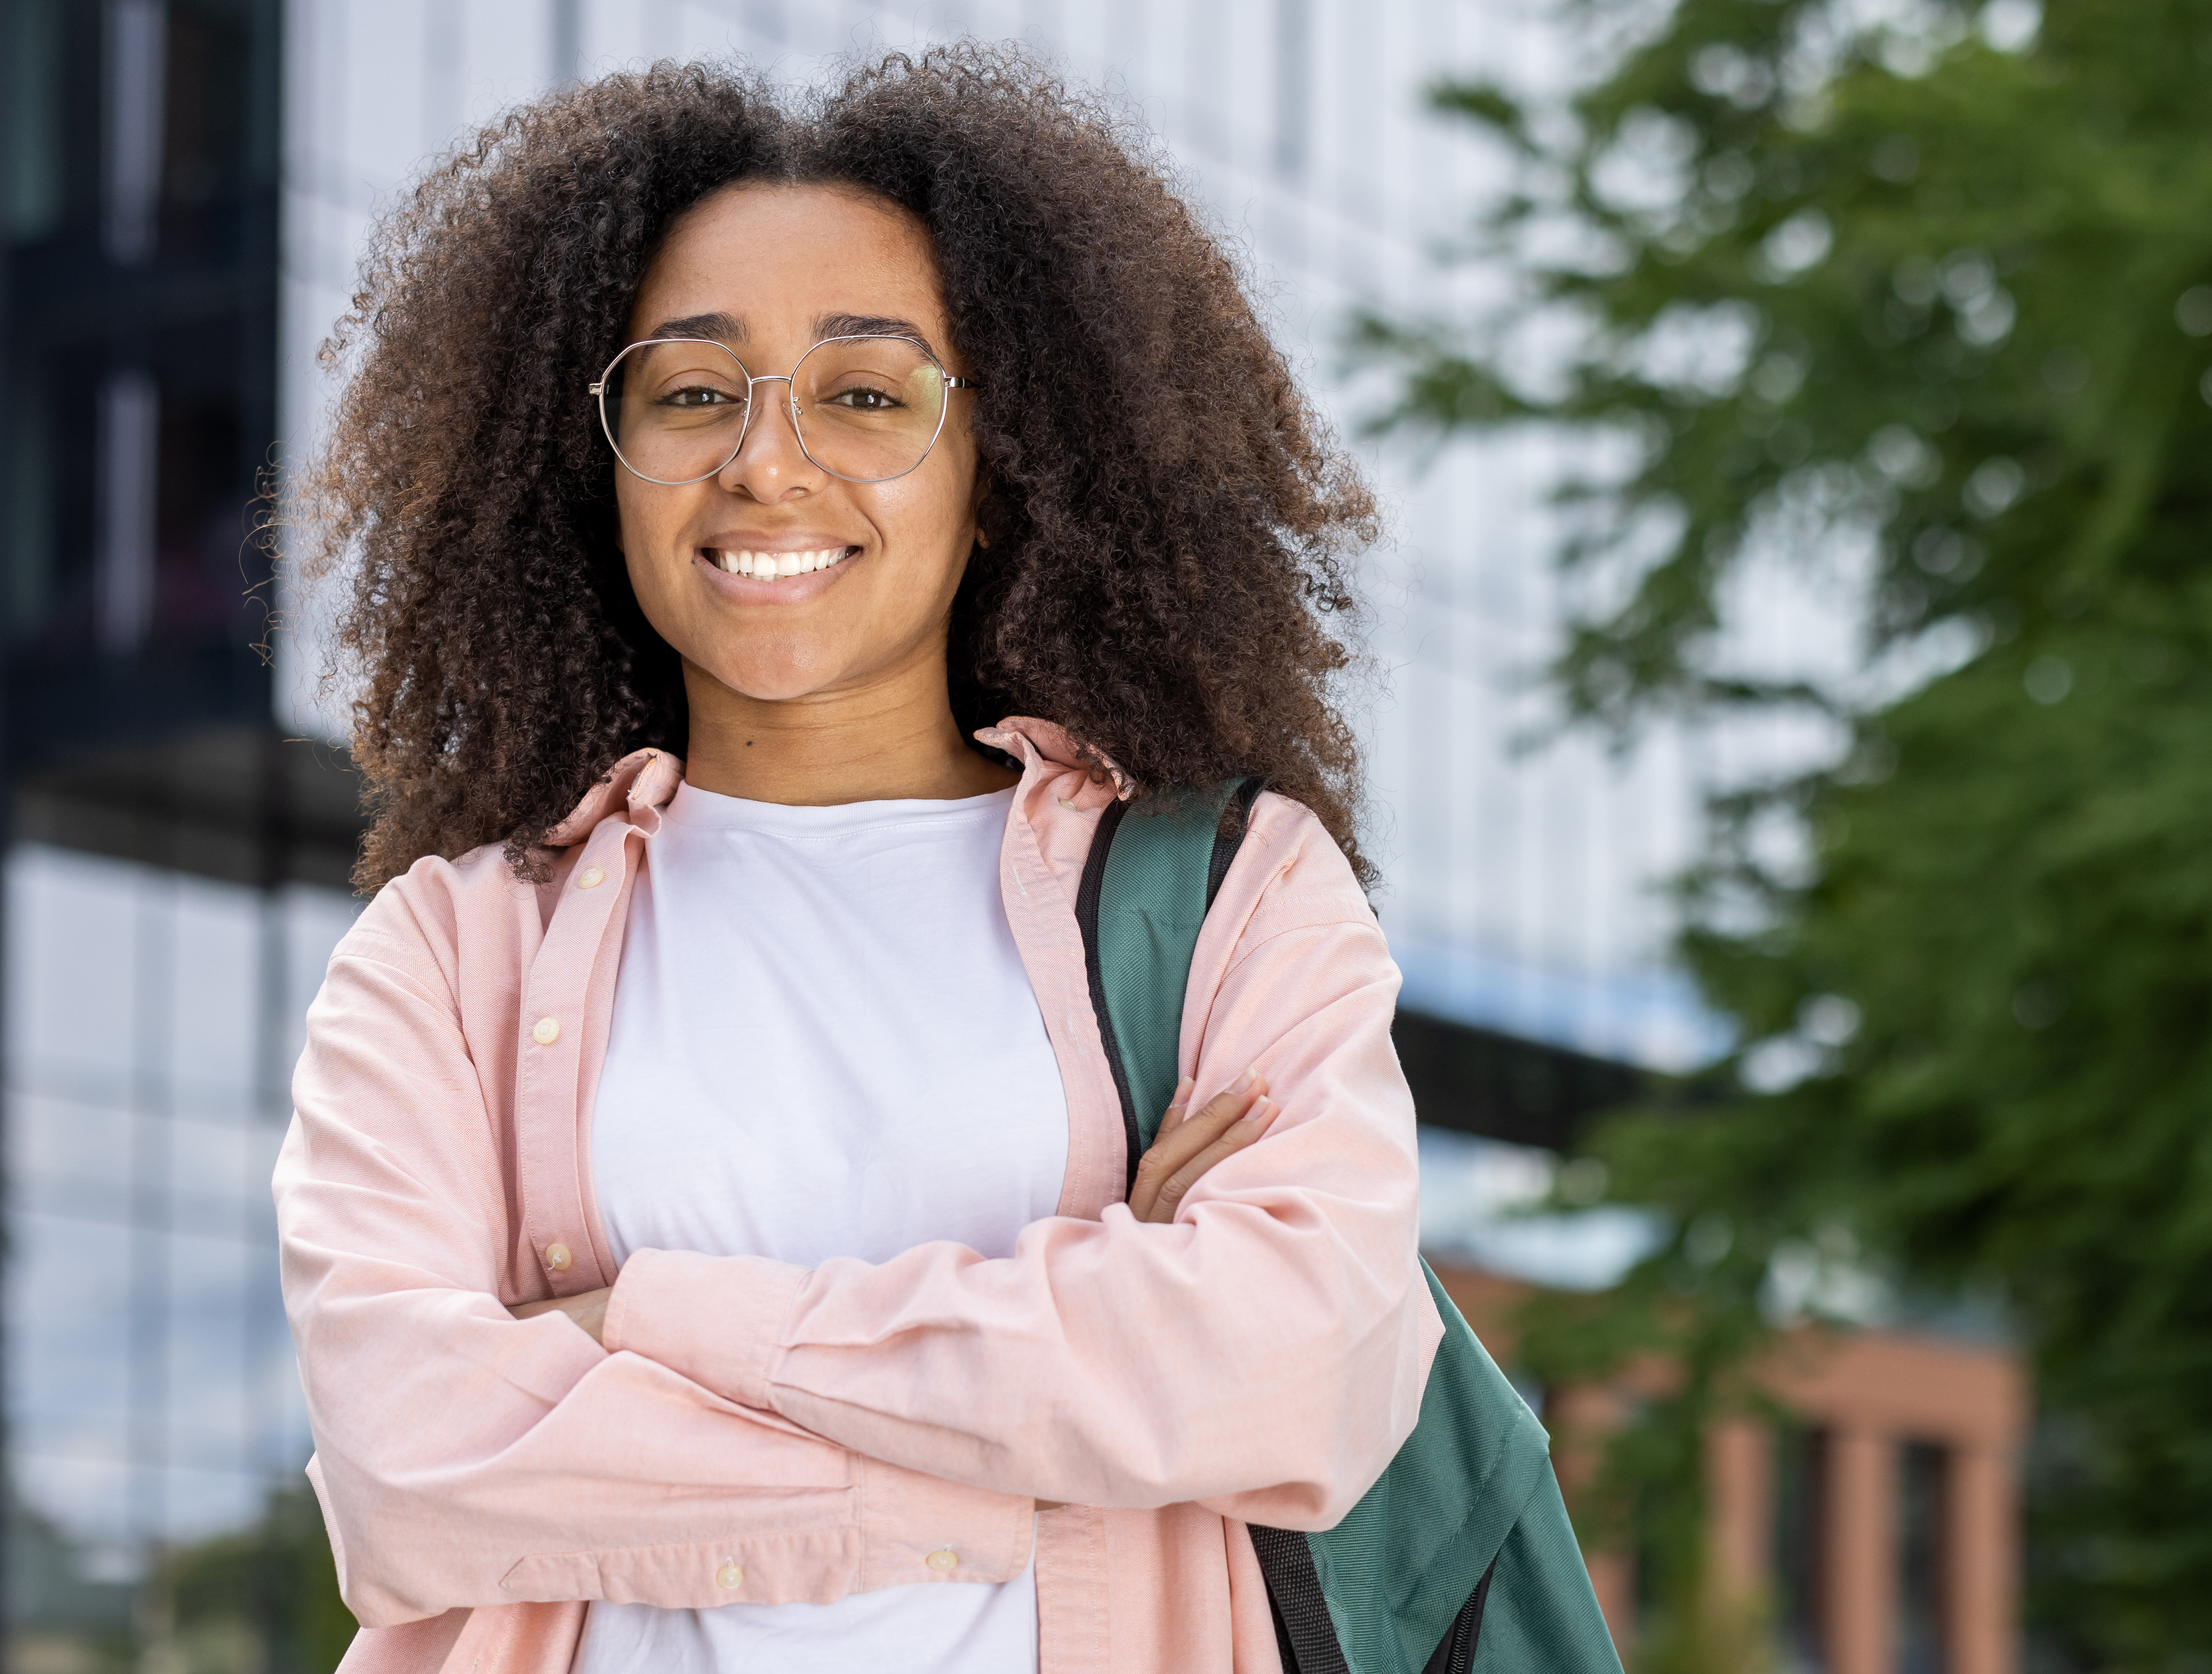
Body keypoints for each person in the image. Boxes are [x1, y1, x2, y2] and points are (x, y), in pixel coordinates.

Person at [277, 49, 1430, 1674]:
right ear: (594, 474)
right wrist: (1052, 1423)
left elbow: (1293, 1369)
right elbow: (409, 1472)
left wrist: (642, 1328)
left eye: (867, 393)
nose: (765, 462)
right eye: (690, 393)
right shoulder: (450, 955)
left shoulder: (1234, 895)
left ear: (997, 478)